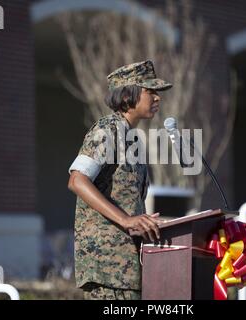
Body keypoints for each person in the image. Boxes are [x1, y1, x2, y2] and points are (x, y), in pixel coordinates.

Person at [67, 60, 173, 300]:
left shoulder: (131, 138)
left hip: (126, 267)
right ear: (128, 96)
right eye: (150, 91)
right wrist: (126, 220)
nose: (157, 98)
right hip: (107, 266)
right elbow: (77, 180)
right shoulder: (108, 129)